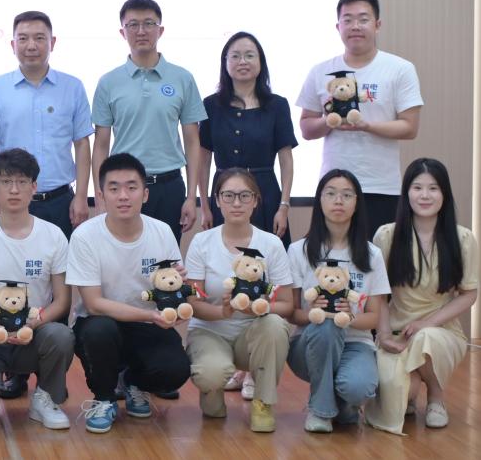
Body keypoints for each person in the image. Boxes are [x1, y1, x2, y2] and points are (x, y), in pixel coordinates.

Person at [67, 152, 191, 433]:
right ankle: (104, 398)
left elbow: (172, 287)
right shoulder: (85, 236)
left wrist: (178, 301)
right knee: (99, 331)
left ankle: (133, 382)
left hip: (147, 324)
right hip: (101, 323)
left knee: (176, 369)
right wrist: (151, 316)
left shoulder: (162, 231)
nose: (123, 196)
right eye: (114, 188)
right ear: (101, 196)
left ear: (145, 194)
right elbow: (94, 304)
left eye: (132, 187)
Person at [0, 149, 74, 431]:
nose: (14, 189)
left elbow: (62, 300)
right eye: (5, 181)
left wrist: (35, 322)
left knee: (61, 335)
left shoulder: (53, 236)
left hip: (33, 332)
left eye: (22, 182)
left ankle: (45, 398)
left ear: (34, 187)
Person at [297, 0, 423, 237]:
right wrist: (329, 121)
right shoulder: (321, 71)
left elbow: (410, 127)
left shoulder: (400, 69)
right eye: (348, 20)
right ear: (338, 27)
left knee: (380, 256)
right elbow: (306, 129)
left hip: (381, 186)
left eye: (363, 19)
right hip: (333, 187)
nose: (355, 26)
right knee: (332, 257)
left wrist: (366, 125)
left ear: (377, 25)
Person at [368, 158, 478, 433]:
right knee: (401, 396)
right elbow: (378, 294)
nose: (425, 195)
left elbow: (468, 295)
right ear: (406, 193)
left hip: (441, 332)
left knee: (425, 338)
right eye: (417, 188)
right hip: (396, 332)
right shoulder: (387, 235)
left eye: (433, 188)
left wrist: (424, 324)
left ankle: (436, 396)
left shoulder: (463, 238)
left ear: (445, 194)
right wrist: (383, 335)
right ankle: (412, 387)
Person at [185, 169, 294, 433]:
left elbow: (287, 304)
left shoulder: (271, 244)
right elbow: (192, 303)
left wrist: (256, 308)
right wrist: (222, 312)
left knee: (274, 325)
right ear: (217, 200)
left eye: (245, 196)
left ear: (255, 201)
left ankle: (263, 402)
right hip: (210, 331)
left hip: (252, 334)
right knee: (211, 377)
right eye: (228, 196)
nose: (236, 203)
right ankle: (211, 392)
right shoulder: (201, 242)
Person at [91, 0, 205, 243]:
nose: (141, 31)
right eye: (133, 24)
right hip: (124, 188)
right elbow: (100, 144)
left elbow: (192, 141)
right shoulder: (108, 82)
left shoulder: (182, 78)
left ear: (160, 30)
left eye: (149, 23)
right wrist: (100, 196)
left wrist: (191, 196)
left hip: (169, 186)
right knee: (120, 256)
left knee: (165, 262)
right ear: (123, 32)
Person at [287, 169, 389, 433]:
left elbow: (374, 317)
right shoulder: (298, 250)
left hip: (356, 344)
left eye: (346, 195)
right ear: (320, 201)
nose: (338, 201)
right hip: (309, 344)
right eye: (330, 194)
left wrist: (349, 317)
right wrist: (313, 312)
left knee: (358, 388)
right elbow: (292, 313)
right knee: (326, 325)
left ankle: (343, 403)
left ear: (357, 203)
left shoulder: (372, 254)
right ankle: (321, 410)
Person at [0, 10, 93, 239]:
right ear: (13, 44)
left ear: (52, 42)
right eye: (23, 38)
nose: (31, 46)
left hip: (60, 202)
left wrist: (81, 196)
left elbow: (82, 144)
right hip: (11, 201)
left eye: (39, 38)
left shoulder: (73, 87)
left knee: (61, 261)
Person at [198, 32, 296, 245]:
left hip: (265, 194)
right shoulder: (210, 105)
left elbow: (286, 160)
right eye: (235, 56)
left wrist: (284, 206)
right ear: (225, 63)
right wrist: (205, 206)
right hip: (224, 195)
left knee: (268, 256)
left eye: (250, 55)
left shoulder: (277, 105)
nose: (242, 61)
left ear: (261, 62)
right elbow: (203, 160)